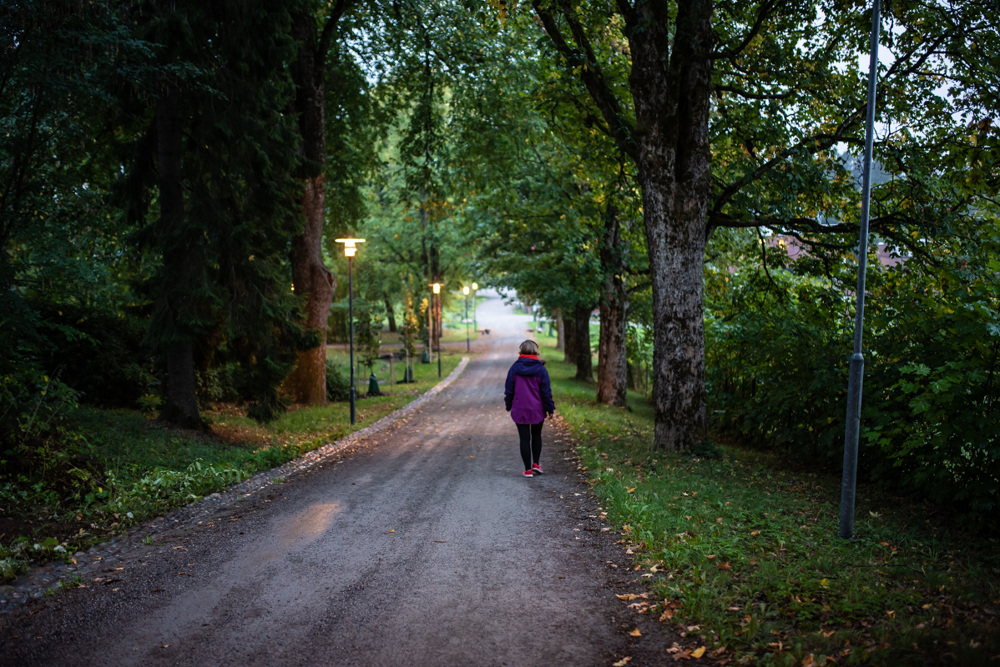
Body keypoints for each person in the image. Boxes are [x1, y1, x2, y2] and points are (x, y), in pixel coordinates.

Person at [504, 339, 556, 478]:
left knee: (524, 438)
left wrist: (508, 405)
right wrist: (550, 409)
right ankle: (536, 464)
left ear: (521, 351)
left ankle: (527, 469)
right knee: (537, 435)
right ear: (536, 351)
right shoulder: (540, 369)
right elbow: (546, 392)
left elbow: (509, 390)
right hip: (537, 409)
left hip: (519, 408)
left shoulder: (514, 368)